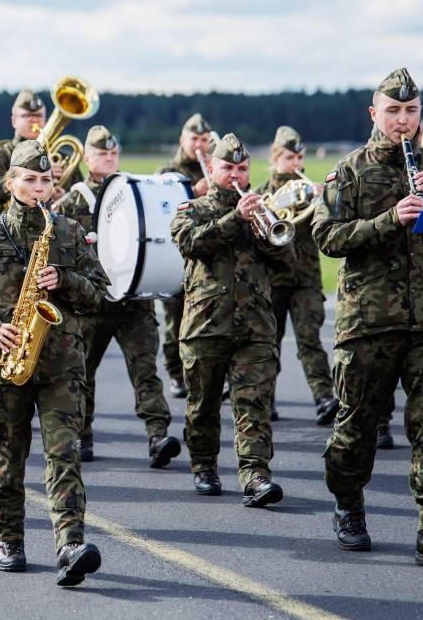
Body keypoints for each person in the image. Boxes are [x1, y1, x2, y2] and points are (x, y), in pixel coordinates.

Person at [312, 68, 423, 571]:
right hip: (368, 323)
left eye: (410, 111)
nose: (403, 120)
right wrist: (391, 220)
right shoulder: (348, 171)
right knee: (357, 429)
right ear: (375, 114)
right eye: (393, 111)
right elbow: (327, 237)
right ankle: (348, 504)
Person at [0, 139, 106, 585]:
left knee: (64, 455)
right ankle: (10, 538)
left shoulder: (69, 231)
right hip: (5, 365)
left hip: (61, 365)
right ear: (10, 182)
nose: (39, 188)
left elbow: (100, 292)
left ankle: (70, 544)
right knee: (7, 459)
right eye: (31, 180)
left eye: (46, 180)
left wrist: (66, 280)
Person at [171, 132, 292, 507]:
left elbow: (288, 264)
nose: (236, 175)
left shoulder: (264, 210)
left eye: (242, 169)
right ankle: (204, 465)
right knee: (203, 405)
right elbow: (192, 243)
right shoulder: (191, 210)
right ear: (211, 168)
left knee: (254, 405)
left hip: (255, 326)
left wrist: (267, 232)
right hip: (205, 326)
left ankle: (255, 474)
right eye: (228, 168)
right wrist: (235, 219)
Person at [54, 125, 180, 467]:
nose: (108, 158)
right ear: (86, 156)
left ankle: (157, 435)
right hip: (91, 304)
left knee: (146, 370)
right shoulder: (71, 201)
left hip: (133, 302)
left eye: (113, 153)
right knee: (83, 372)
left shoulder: (132, 194)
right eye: (101, 153)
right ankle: (82, 435)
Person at [256, 126, 339, 424]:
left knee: (310, 339)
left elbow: (328, 227)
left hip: (306, 278)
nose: (296, 163)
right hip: (272, 280)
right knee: (269, 342)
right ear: (276, 157)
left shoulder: (310, 193)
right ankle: (266, 400)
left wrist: (324, 199)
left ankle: (324, 397)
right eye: (290, 157)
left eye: (300, 157)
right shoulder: (262, 194)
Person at [157, 113, 215, 399]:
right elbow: (160, 208)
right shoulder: (168, 170)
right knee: (175, 319)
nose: (199, 145)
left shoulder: (215, 166)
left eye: (204, 139)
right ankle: (175, 373)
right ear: (183, 140)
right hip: (175, 257)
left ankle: (205, 376)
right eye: (194, 139)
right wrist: (193, 191)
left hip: (206, 255)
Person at [0, 89, 46, 208]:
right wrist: (20, 181)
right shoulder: (0, 154)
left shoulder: (58, 155)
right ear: (14, 121)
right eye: (27, 115)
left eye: (39, 115)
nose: (34, 119)